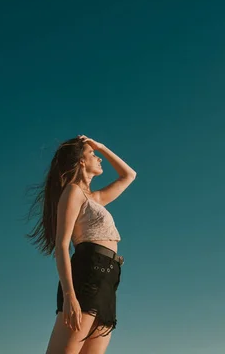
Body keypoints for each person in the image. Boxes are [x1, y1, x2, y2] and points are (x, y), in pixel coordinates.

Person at [26, 134, 136, 354]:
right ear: (81, 161)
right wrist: (69, 296)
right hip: (87, 275)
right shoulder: (73, 192)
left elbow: (129, 175)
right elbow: (61, 245)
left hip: (108, 279)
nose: (99, 158)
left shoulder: (95, 198)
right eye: (93, 154)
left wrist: (101, 146)